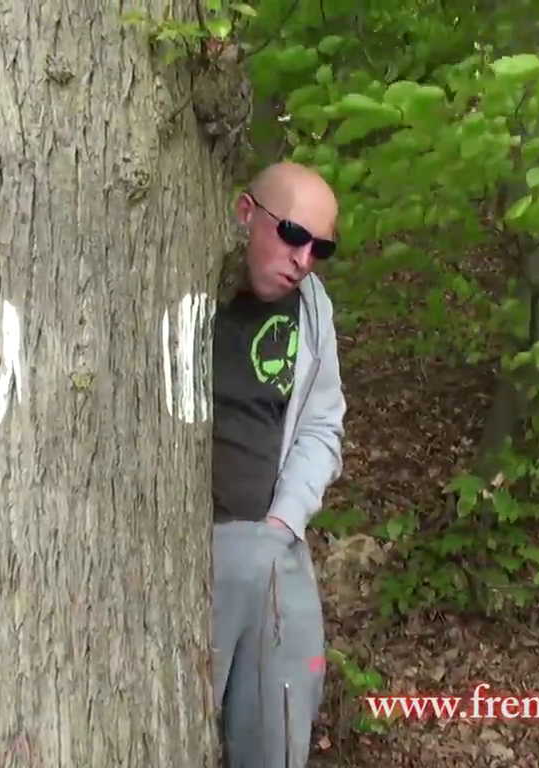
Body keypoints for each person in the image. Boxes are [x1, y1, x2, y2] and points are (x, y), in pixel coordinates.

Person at [211, 161, 347, 768]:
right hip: (188, 551)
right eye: (293, 234)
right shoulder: (184, 287)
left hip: (272, 541)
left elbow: (322, 422)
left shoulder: (312, 308)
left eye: (321, 248)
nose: (304, 258)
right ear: (247, 213)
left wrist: (285, 519)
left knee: (282, 722)